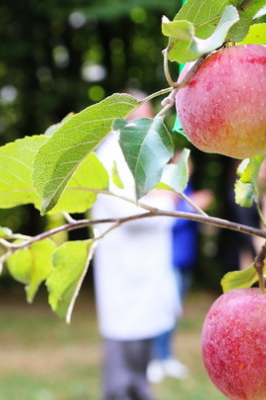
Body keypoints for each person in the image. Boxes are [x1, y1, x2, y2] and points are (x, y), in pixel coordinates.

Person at [91, 96, 180, 400]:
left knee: (139, 361)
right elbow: (128, 211)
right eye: (144, 115)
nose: (151, 121)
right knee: (123, 372)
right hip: (127, 277)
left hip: (143, 277)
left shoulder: (138, 149)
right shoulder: (113, 151)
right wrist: (167, 202)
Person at [148, 174, 213, 383]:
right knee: (163, 309)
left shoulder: (187, 188)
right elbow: (165, 221)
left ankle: (166, 356)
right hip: (169, 260)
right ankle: (155, 358)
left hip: (186, 259)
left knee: (174, 310)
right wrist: (193, 208)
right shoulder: (164, 187)